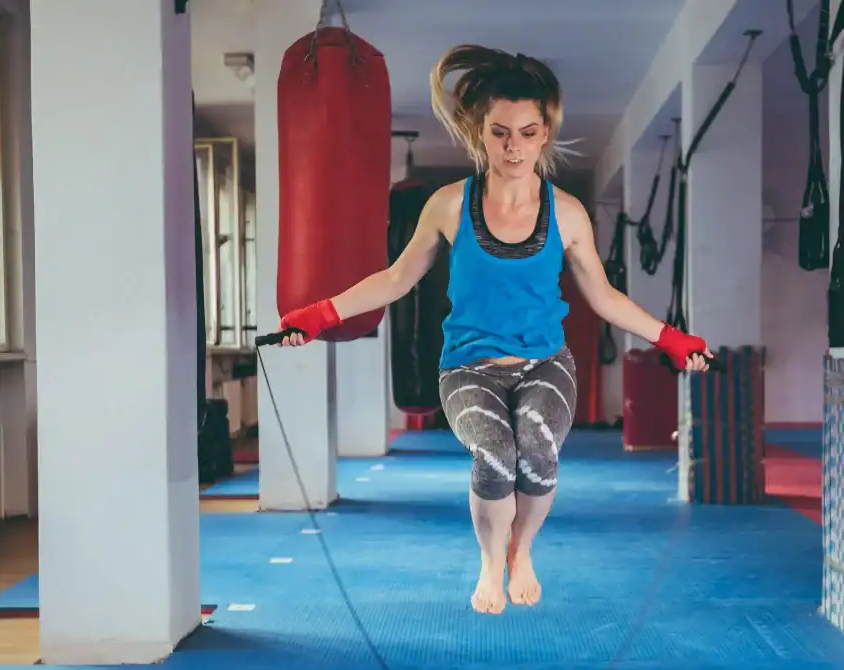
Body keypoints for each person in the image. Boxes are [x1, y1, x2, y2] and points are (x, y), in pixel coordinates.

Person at [272, 44, 714, 615]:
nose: (514, 147)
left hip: (545, 363)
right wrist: (320, 314)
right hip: (467, 367)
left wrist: (672, 340)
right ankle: (488, 560)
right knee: (496, 453)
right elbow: (395, 278)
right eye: (500, 132)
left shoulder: (569, 214)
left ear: (545, 133)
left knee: (538, 449)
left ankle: (521, 551)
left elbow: (603, 297)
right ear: (479, 131)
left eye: (528, 133)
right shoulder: (449, 206)